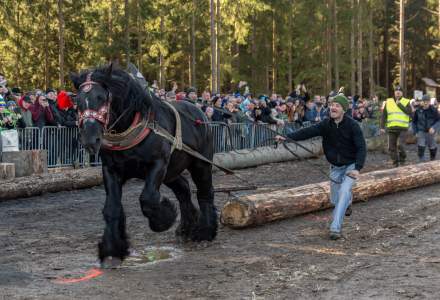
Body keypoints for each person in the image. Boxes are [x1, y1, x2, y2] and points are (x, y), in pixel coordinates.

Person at [275, 95, 366, 240]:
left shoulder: (353, 125)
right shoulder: (325, 124)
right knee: (335, 200)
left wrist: (357, 168)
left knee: (344, 191)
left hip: (351, 165)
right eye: (332, 105)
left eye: (337, 105)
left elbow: (361, 147)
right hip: (335, 167)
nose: (333, 107)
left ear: (343, 110)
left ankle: (335, 228)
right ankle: (347, 203)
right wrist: (287, 137)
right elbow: (307, 132)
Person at [380, 86, 412, 167]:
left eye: (400, 91)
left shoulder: (406, 101)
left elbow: (409, 112)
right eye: (396, 90)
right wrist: (382, 127)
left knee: (400, 145)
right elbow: (384, 115)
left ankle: (403, 158)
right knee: (391, 148)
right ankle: (395, 163)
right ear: (394, 92)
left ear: (402, 93)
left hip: (402, 129)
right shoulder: (389, 101)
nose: (398, 92)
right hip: (391, 128)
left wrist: (400, 105)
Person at [412, 95, 440, 161]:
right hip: (421, 131)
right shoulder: (418, 110)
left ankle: (432, 160)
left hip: (431, 132)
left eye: (427, 101)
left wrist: (434, 127)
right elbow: (414, 122)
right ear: (422, 102)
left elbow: (439, 120)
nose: (426, 103)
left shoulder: (434, 110)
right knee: (421, 147)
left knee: (433, 148)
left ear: (430, 102)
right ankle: (421, 162)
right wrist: (415, 131)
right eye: (424, 101)